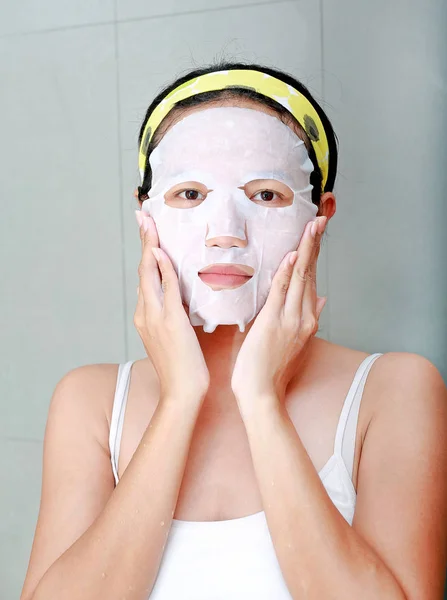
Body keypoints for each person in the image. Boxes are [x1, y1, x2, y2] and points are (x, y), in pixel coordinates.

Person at [21, 62, 447, 600]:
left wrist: (262, 401)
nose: (225, 232)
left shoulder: (396, 391)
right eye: (190, 194)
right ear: (144, 213)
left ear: (322, 215)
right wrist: (179, 401)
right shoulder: (90, 402)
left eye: (265, 195)